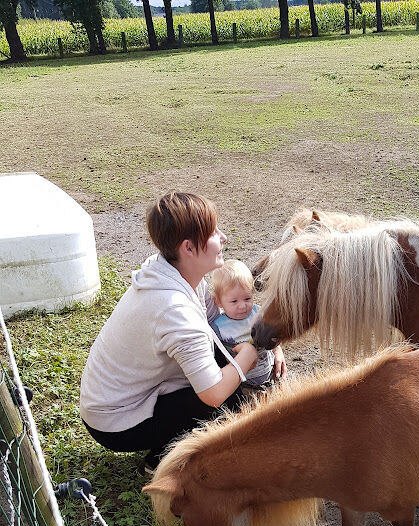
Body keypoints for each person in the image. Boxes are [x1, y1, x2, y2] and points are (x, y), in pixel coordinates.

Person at [79, 192, 275, 475]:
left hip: (110, 401)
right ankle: (163, 457)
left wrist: (271, 345)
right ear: (189, 249)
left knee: (229, 380)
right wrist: (249, 356)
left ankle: (172, 441)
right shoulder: (174, 310)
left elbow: (218, 325)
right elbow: (213, 393)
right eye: (214, 232)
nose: (223, 238)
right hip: (115, 422)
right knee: (229, 403)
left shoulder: (171, 273)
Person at [210, 259, 287, 392]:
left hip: (272, 374)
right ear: (218, 302)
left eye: (247, 298)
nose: (242, 306)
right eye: (234, 301)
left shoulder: (259, 313)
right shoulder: (217, 328)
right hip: (244, 385)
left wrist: (277, 350)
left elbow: (272, 334)